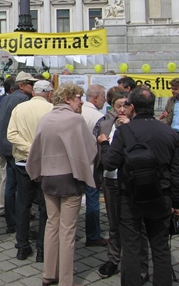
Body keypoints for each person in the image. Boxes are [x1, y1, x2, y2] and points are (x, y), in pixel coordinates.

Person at [98, 87, 179, 286]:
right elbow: (177, 173)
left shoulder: (125, 131)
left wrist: (104, 144)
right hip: (161, 196)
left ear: (133, 107)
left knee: (131, 248)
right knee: (161, 247)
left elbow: (110, 163)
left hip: (131, 196)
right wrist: (176, 202)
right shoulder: (169, 132)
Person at [27, 83, 97, 286]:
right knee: (67, 231)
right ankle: (66, 280)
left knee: (51, 225)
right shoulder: (75, 120)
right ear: (68, 98)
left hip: (48, 177)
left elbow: (36, 148)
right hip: (69, 178)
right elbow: (90, 148)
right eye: (78, 97)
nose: (81, 101)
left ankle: (48, 274)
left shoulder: (46, 118)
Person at [96, 90, 150, 281]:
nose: (121, 109)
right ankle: (113, 258)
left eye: (124, 105)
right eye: (117, 105)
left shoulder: (138, 126)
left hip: (131, 180)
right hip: (111, 179)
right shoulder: (106, 124)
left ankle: (142, 265)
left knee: (138, 225)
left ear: (132, 107)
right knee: (113, 222)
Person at [6, 80, 53, 262]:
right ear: (49, 93)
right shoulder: (52, 110)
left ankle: (22, 246)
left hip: (23, 162)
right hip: (44, 162)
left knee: (23, 204)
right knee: (44, 207)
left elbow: (11, 135)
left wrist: (28, 148)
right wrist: (36, 149)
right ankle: (42, 248)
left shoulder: (20, 108)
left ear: (34, 92)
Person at [0, 71, 37, 234]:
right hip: (16, 147)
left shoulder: (6, 98)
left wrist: (2, 131)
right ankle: (19, 223)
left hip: (4, 145)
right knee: (20, 187)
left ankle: (11, 222)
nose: (33, 87)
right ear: (21, 85)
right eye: (30, 84)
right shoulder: (23, 99)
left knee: (11, 186)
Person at [80, 84, 108, 247]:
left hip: (76, 162)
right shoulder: (98, 117)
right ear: (96, 97)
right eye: (103, 97)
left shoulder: (77, 112)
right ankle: (93, 235)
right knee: (92, 199)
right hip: (91, 163)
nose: (105, 101)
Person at [0, 76, 15, 218]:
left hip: (4, 141)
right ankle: (1, 206)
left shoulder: (6, 99)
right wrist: (4, 133)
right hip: (4, 143)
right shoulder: (3, 99)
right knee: (6, 175)